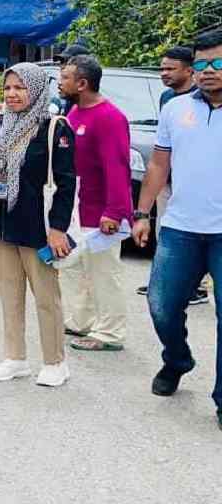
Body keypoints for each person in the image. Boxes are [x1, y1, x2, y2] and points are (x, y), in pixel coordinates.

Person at [0, 63, 77, 387]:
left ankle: (55, 362)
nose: (12, 94)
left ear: (37, 89)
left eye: (20, 87)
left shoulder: (54, 129)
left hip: (38, 228)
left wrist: (57, 228)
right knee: (9, 295)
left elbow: (67, 184)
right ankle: (15, 358)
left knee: (45, 297)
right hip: (1, 226)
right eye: (8, 87)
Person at [134, 31, 222, 431]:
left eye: (217, 64)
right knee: (162, 306)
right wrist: (142, 213)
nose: (208, 72)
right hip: (181, 227)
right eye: (202, 64)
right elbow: (158, 166)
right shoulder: (175, 108)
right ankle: (177, 359)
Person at [58, 55, 132, 352]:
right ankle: (81, 320)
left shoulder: (109, 117)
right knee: (73, 267)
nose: (60, 83)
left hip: (100, 211)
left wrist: (114, 211)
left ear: (82, 83)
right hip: (75, 208)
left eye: (65, 78)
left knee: (104, 273)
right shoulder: (74, 112)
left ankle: (110, 332)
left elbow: (118, 167)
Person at [136, 46, 208, 304]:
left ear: (190, 70)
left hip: (196, 183)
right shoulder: (168, 99)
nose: (164, 73)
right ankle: (165, 280)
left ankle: (195, 287)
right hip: (168, 178)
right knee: (164, 228)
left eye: (170, 69)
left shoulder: (204, 98)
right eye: (162, 68)